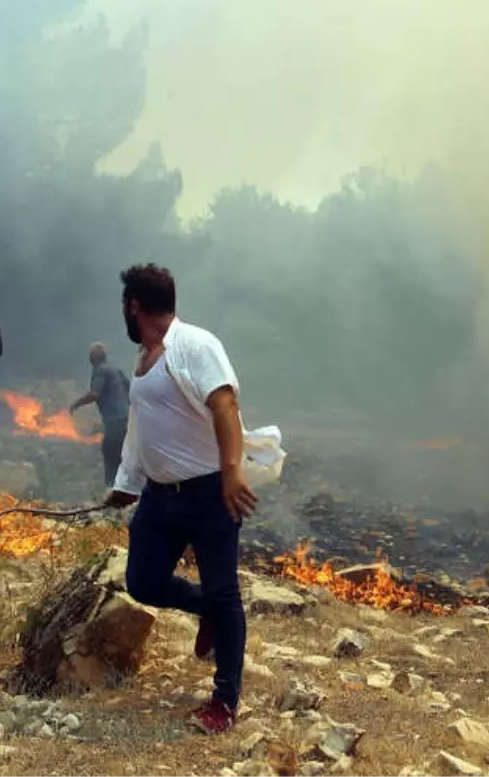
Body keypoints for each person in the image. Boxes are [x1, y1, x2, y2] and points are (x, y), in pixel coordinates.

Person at [105, 263, 284, 735]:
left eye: (124, 305)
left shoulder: (195, 345)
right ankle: (203, 608)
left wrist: (229, 474)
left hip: (208, 492)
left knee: (225, 592)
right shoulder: (143, 361)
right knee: (143, 583)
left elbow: (224, 403)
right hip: (159, 497)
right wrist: (127, 479)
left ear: (134, 306)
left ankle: (224, 702)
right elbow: (139, 429)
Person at [68, 342, 130, 487]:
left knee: (110, 454)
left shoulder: (100, 370)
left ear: (92, 358)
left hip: (115, 421)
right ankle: (127, 490)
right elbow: (130, 391)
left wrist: (75, 404)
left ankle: (112, 490)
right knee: (123, 455)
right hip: (127, 420)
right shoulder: (116, 369)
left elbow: (94, 394)